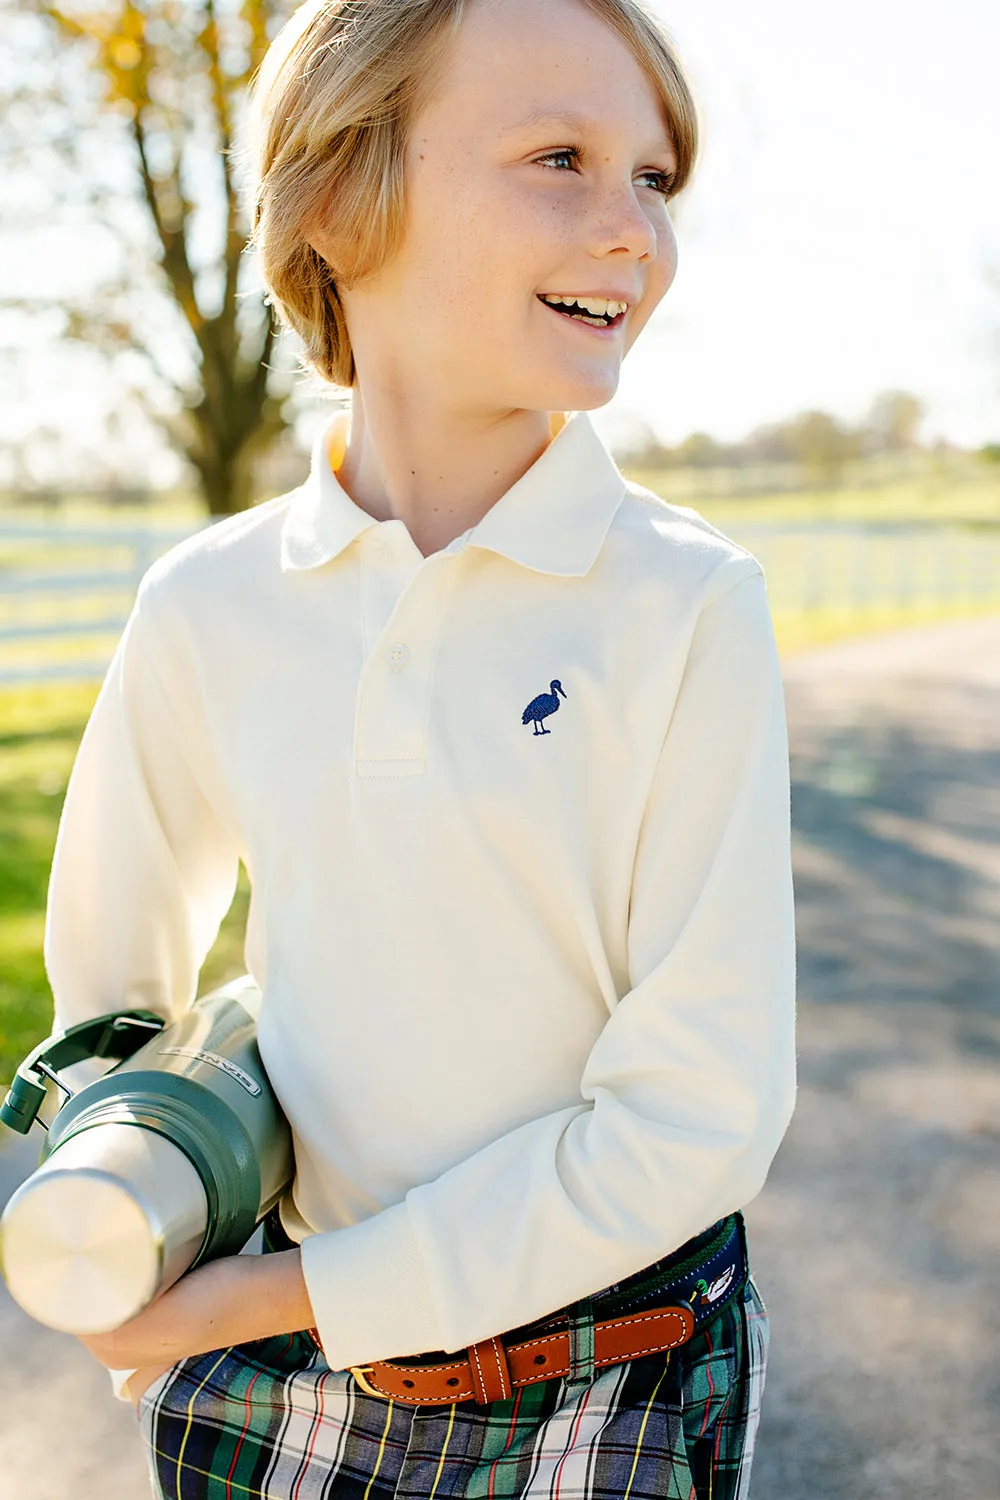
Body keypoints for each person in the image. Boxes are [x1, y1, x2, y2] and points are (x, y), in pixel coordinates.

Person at [44, 0, 797, 1495]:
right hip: (280, 1393)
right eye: (561, 158)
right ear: (336, 198)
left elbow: (698, 1115)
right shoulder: (207, 607)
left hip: (616, 1373)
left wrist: (271, 1297)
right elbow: (112, 1017)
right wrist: (125, 1213)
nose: (631, 231)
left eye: (654, 179)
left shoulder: (687, 604)